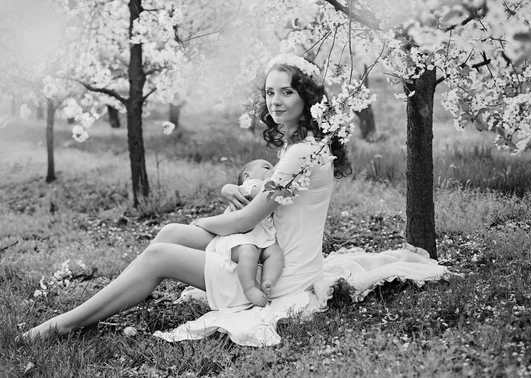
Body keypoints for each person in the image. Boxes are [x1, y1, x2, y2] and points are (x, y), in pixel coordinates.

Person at [23, 53, 351, 340]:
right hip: (272, 252)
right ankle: (116, 298)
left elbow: (247, 219)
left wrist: (201, 221)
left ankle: (63, 325)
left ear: (307, 97)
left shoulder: (301, 154)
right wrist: (229, 189)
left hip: (275, 276)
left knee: (160, 256)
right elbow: (266, 199)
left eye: (287, 92)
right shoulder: (304, 145)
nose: (275, 101)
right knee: (170, 233)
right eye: (269, 92)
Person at [204, 158, 284, 307]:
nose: (271, 170)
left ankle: (268, 281)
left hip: (262, 237)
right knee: (249, 252)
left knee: (276, 253)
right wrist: (273, 177)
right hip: (241, 238)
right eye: (266, 167)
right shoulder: (249, 185)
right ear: (247, 176)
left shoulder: (263, 186)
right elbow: (260, 192)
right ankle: (249, 288)